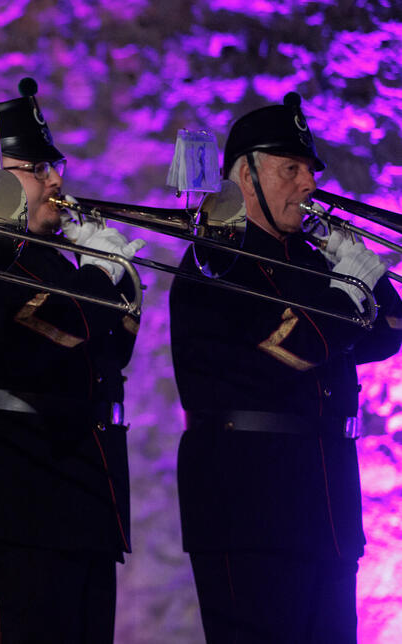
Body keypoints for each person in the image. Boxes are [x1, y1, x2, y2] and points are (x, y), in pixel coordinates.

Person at [0, 78, 145, 644]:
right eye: (37, 167)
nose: (56, 180)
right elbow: (56, 329)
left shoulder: (52, 261)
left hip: (78, 490)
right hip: (5, 493)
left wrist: (116, 278)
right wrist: (100, 275)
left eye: (53, 165)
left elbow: (108, 353)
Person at [169, 92, 402, 644]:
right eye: (291, 169)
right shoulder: (217, 256)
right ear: (245, 177)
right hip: (248, 503)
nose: (310, 184)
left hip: (324, 499)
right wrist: (348, 291)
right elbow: (297, 346)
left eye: (308, 171)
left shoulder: (310, 260)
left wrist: (370, 279)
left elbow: (386, 337)